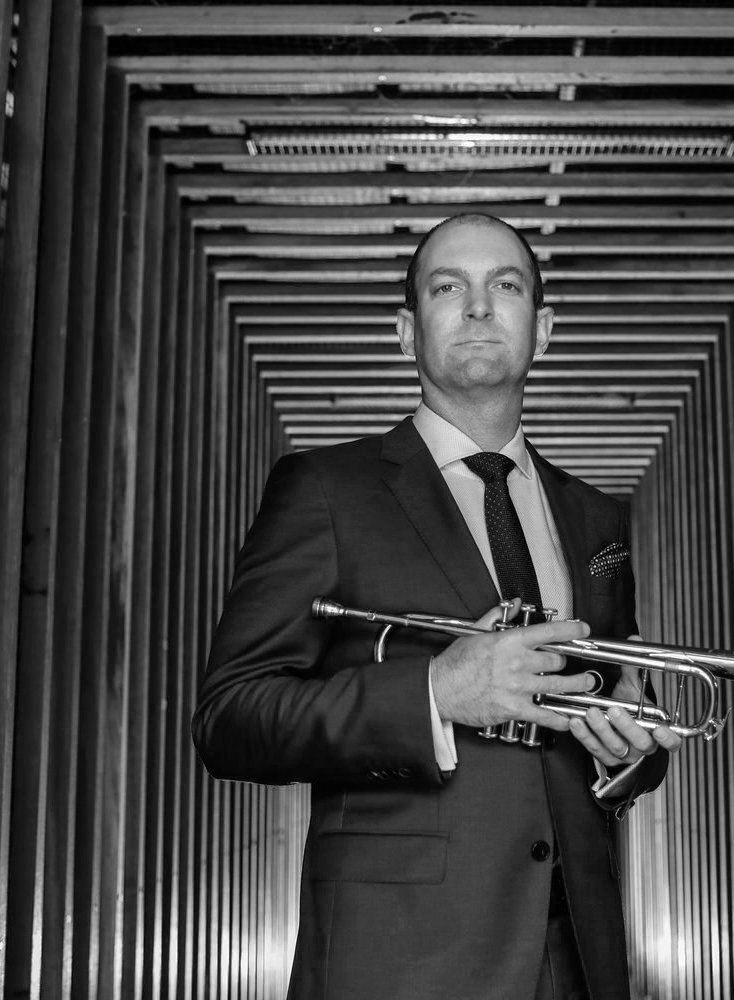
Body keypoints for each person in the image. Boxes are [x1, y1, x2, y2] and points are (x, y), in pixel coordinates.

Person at [192, 213, 680, 1000]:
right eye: (448, 287)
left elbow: (618, 709)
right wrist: (433, 697)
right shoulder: (325, 489)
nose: (480, 307)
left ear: (543, 330)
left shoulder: (597, 516)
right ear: (405, 330)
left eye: (506, 286)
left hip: (578, 962)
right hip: (398, 962)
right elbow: (229, 718)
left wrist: (629, 752)